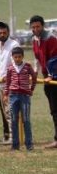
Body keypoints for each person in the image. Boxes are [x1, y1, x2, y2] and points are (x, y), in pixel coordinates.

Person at [30, 15, 57, 148]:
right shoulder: (35, 40)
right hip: (47, 78)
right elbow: (36, 58)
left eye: (38, 26)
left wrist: (52, 76)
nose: (36, 29)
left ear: (43, 26)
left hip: (54, 78)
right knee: (53, 109)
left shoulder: (51, 38)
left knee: (56, 109)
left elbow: (55, 59)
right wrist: (35, 72)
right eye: (33, 27)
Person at [4, 47, 37, 150]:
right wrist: (6, 93)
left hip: (25, 96)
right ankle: (15, 144)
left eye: (19, 57)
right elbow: (8, 81)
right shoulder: (10, 68)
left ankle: (29, 144)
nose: (17, 59)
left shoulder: (27, 66)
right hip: (13, 96)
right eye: (15, 57)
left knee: (26, 120)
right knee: (14, 120)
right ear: (12, 57)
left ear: (23, 56)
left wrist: (31, 89)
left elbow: (34, 77)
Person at [0, 21, 19, 143]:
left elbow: (17, 64)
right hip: (2, 83)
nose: (2, 34)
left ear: (8, 32)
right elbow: (0, 65)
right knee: (7, 111)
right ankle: (12, 135)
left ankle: (15, 137)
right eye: (0, 33)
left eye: (4, 32)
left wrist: (8, 76)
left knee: (12, 110)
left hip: (12, 82)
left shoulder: (14, 45)